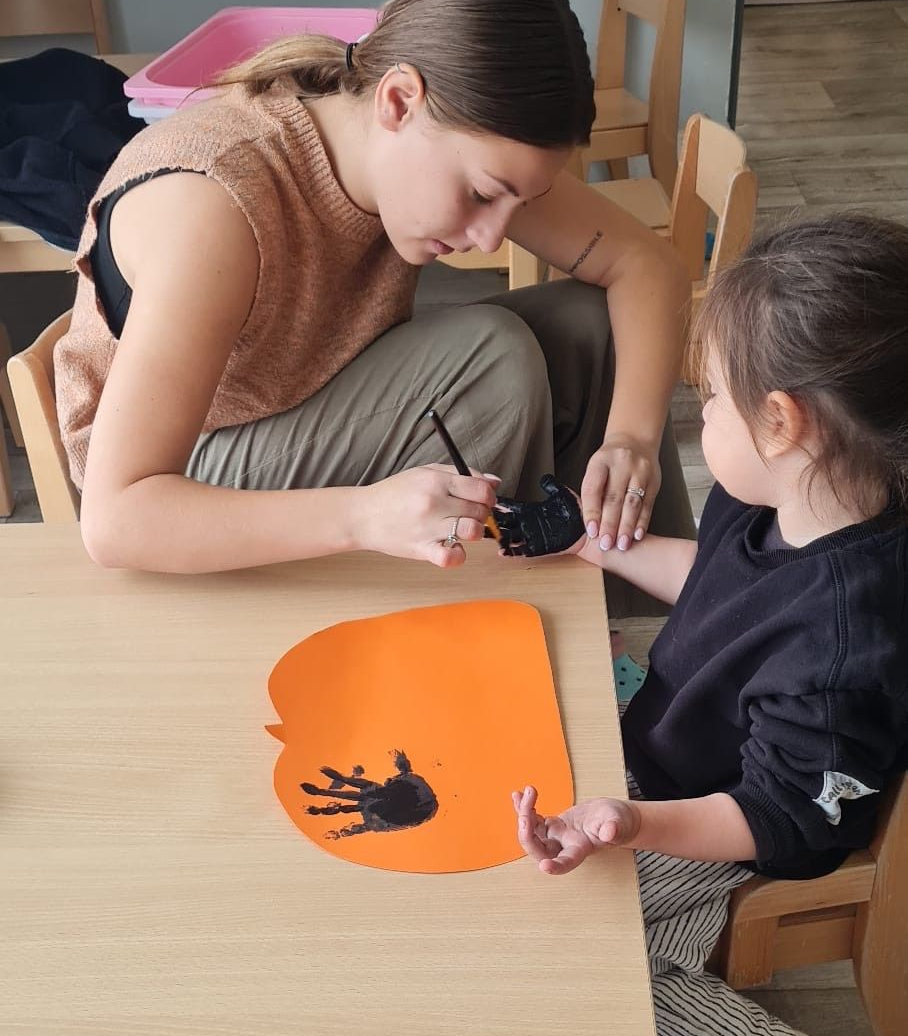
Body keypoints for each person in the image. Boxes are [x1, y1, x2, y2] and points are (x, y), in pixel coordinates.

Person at [53, 0, 693, 611]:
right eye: (480, 194)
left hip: (306, 402)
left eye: (517, 205)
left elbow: (647, 266)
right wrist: (364, 517)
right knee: (491, 364)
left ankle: (671, 654)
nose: (492, 235)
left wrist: (631, 438)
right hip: (186, 472)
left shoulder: (430, 133)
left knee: (589, 328)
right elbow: (116, 520)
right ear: (398, 100)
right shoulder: (216, 206)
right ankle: (515, 636)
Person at [513, 214, 908, 1035]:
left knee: (565, 962)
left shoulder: (846, 641)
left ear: (781, 421)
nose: (702, 418)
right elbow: (722, 592)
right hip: (657, 768)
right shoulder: (774, 498)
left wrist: (632, 824)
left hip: (716, 820)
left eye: (710, 398)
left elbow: (779, 814)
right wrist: (602, 548)